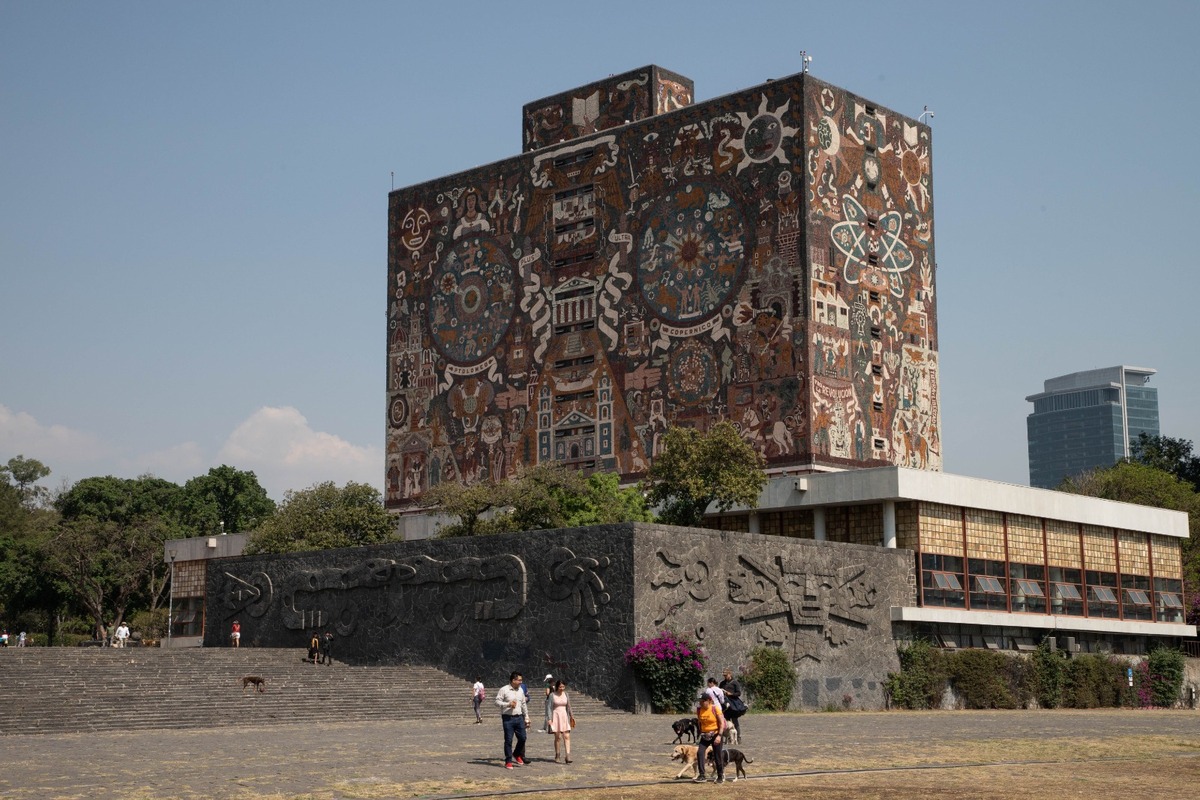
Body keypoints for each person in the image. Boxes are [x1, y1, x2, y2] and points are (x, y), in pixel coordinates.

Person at [494, 671, 530, 769]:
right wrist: (508, 704)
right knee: (508, 740)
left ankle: (516, 753)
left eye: (521, 680)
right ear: (513, 680)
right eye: (519, 680)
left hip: (519, 717)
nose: (521, 682)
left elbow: (523, 704)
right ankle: (508, 760)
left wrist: (526, 716)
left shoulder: (521, 690)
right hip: (508, 718)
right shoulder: (504, 689)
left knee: (523, 738)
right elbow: (496, 702)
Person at [694, 692, 726, 783]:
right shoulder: (699, 710)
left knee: (717, 755)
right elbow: (700, 722)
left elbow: (721, 723)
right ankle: (702, 775)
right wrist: (700, 733)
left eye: (702, 701)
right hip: (705, 735)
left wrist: (719, 736)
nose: (701, 703)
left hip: (716, 734)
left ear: (708, 701)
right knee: (700, 752)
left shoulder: (715, 709)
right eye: (700, 701)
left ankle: (720, 775)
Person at [547, 680, 575, 763]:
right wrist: (549, 719)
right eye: (560, 687)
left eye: (563, 686)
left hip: (564, 716)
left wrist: (572, 716)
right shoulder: (552, 695)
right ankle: (557, 754)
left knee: (567, 736)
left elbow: (569, 706)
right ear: (557, 687)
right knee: (558, 737)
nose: (562, 688)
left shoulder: (566, 694)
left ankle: (568, 755)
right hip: (556, 716)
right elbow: (549, 708)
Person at [719, 668, 747, 740]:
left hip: (733, 704)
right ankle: (728, 737)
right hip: (726, 704)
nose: (725, 677)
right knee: (726, 721)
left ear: (730, 674)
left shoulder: (735, 683)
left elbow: (738, 693)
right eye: (724, 676)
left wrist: (731, 694)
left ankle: (738, 737)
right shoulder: (722, 683)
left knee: (735, 721)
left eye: (726, 675)